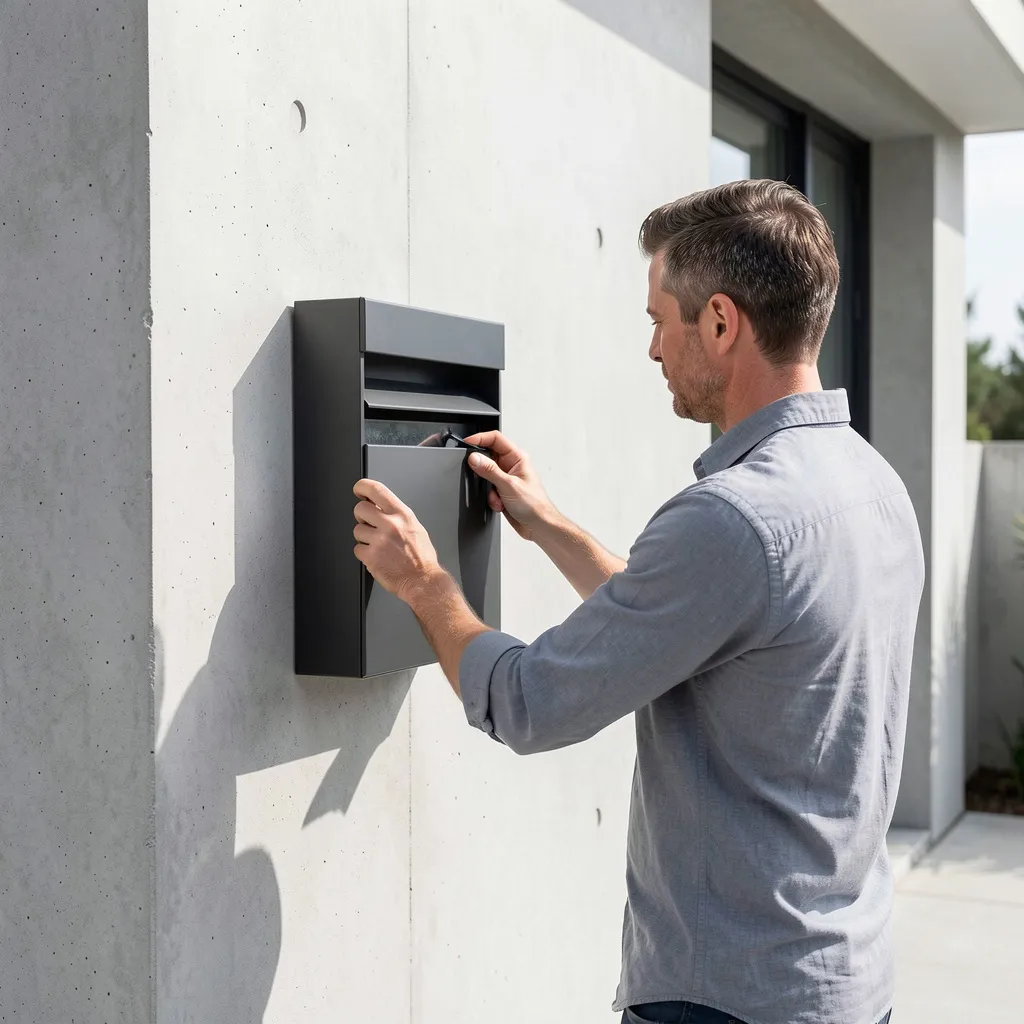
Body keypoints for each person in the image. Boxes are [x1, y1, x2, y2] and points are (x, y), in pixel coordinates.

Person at [352, 179, 923, 1024]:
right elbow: (695, 622)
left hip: (727, 1002)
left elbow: (529, 702)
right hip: (842, 984)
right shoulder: (871, 485)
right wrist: (546, 524)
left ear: (721, 323)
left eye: (660, 319)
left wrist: (425, 584)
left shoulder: (732, 519)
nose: (653, 349)